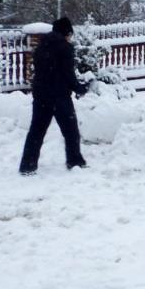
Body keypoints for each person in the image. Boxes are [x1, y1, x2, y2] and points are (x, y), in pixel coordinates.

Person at [19, 17, 87, 175]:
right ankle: (74, 160)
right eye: (70, 34)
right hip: (59, 96)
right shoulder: (65, 47)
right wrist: (79, 88)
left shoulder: (41, 45)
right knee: (71, 130)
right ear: (67, 32)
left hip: (41, 95)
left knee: (36, 130)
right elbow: (68, 74)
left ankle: (27, 165)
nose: (70, 37)